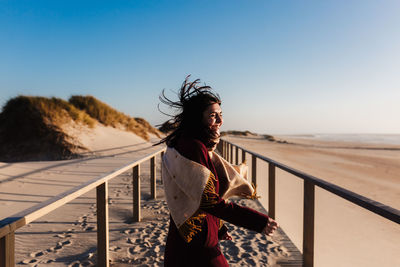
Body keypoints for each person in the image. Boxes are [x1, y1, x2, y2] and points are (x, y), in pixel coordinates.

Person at [157, 76, 278, 267]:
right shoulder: (193, 147)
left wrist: (219, 228)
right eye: (213, 115)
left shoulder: (191, 143)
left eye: (221, 114)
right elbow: (208, 201)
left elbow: (196, 192)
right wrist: (257, 221)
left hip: (192, 236)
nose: (220, 120)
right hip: (195, 245)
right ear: (197, 118)